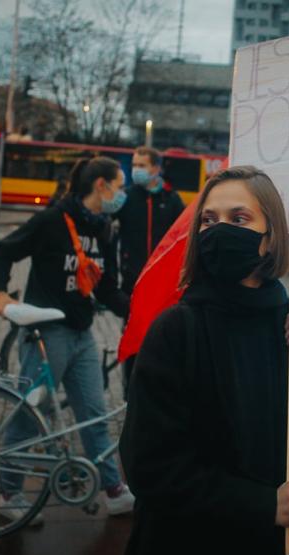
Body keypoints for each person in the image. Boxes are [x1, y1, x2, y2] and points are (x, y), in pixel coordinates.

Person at [119, 166, 289, 555]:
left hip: (265, 552)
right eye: (209, 220)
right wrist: (264, 504)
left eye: (239, 218)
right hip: (180, 548)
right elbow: (148, 467)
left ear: (270, 238)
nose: (219, 230)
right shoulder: (176, 329)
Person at [0, 156, 135, 523]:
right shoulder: (53, 220)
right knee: (31, 413)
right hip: (46, 334)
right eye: (119, 186)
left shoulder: (105, 230)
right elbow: (4, 250)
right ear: (100, 186)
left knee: (93, 413)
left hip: (81, 333)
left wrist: (140, 314)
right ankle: (9, 492)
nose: (122, 195)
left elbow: (108, 289)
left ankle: (113, 489)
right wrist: (0, 293)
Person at [114, 146, 184, 397]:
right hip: (132, 285)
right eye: (134, 165)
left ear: (156, 168)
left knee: (161, 341)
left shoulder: (172, 200)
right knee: (133, 341)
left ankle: (157, 392)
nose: (136, 171)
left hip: (163, 286)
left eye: (141, 165)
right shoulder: (126, 198)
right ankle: (130, 395)